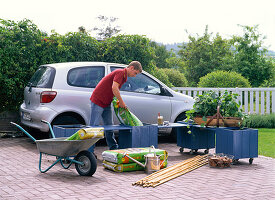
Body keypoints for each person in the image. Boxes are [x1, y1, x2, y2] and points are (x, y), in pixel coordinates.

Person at [90, 61, 143, 150]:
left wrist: (116, 103)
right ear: (132, 68)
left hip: (106, 102)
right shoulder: (120, 72)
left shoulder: (124, 77)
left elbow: (113, 90)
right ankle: (89, 151)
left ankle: (113, 147)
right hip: (98, 100)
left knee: (109, 126)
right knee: (94, 127)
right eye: (135, 73)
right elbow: (114, 88)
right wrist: (121, 102)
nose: (135, 76)